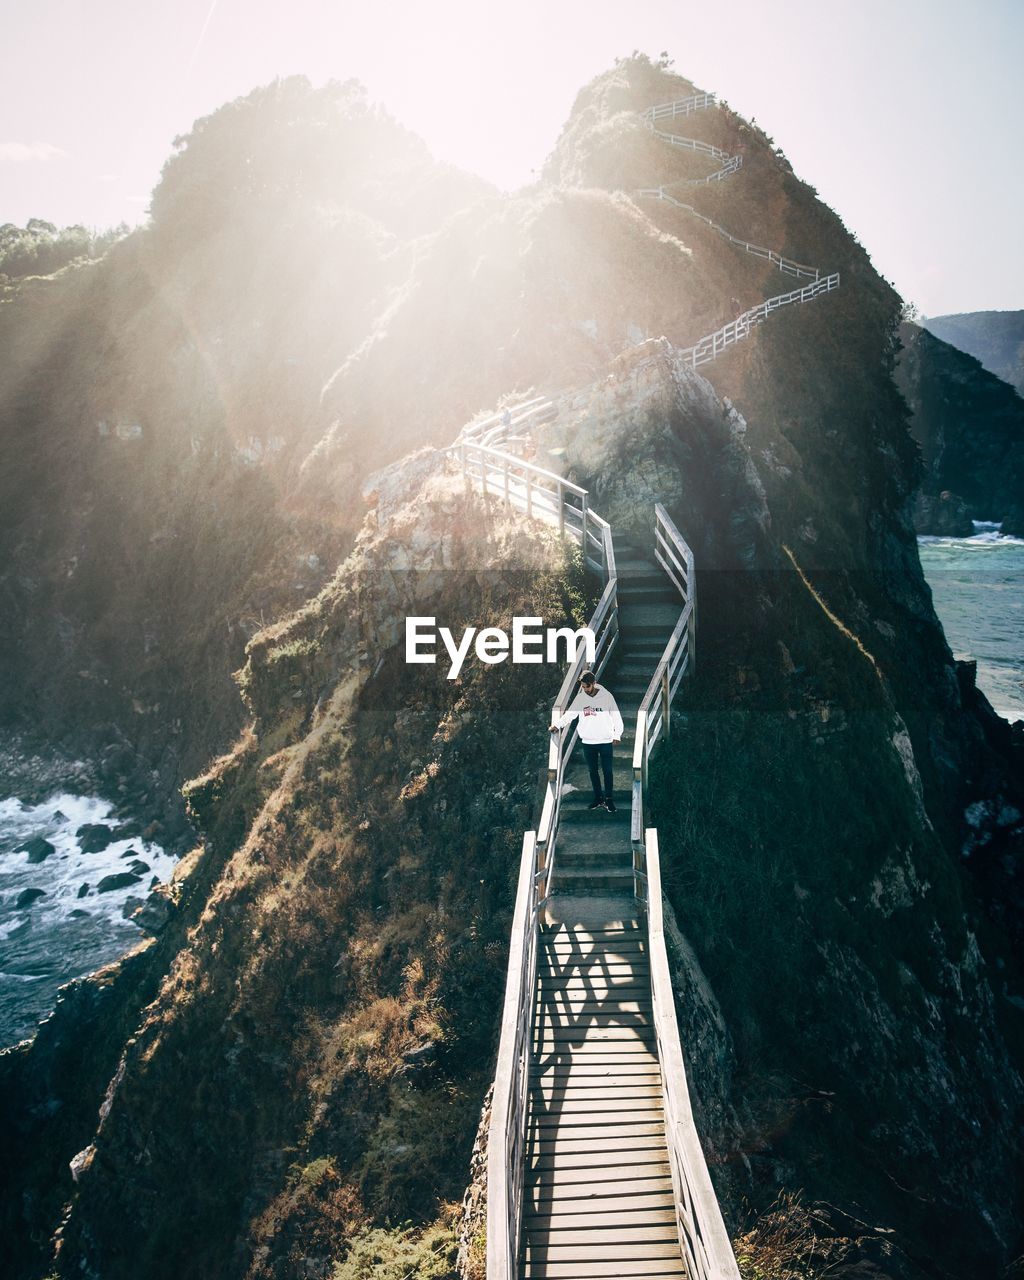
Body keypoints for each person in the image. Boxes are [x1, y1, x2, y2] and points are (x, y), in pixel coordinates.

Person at [549, 670, 623, 812]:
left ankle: (609, 800)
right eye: (582, 687)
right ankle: (598, 798)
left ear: (594, 683)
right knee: (592, 771)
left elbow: (617, 717)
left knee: (607, 771)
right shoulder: (581, 698)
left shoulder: (607, 697)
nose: (585, 690)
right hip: (588, 742)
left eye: (587, 687)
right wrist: (557, 725)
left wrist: (617, 734)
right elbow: (570, 714)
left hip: (605, 741)